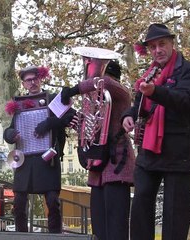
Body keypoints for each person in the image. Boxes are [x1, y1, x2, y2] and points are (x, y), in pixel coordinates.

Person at [121, 23, 190, 240]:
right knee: (140, 204)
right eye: (152, 47)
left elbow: (185, 100)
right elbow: (138, 104)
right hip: (149, 151)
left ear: (172, 44)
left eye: (162, 44)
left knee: (175, 212)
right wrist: (128, 116)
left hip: (178, 152)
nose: (157, 50)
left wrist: (156, 91)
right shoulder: (149, 74)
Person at [61, 60, 135, 240]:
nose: (94, 81)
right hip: (97, 169)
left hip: (117, 163)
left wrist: (74, 89)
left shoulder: (121, 91)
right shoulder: (95, 99)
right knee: (99, 226)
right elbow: (90, 128)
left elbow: (105, 83)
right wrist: (73, 119)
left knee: (116, 224)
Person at [3, 65, 75, 233]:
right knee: (19, 202)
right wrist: (10, 134)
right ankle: (21, 235)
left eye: (35, 78)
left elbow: (71, 117)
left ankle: (55, 236)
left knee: (52, 201)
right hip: (24, 160)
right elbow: (9, 130)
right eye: (28, 80)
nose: (33, 82)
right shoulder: (19, 105)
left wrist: (50, 122)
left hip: (47, 158)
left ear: (41, 79)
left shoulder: (52, 100)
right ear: (23, 83)